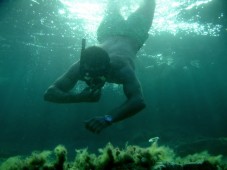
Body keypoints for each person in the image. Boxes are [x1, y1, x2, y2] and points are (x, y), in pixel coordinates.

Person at [44, 0, 156, 134]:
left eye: (99, 73)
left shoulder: (121, 67)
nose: (94, 79)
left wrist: (108, 118)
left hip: (125, 32)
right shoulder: (80, 66)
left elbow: (139, 101)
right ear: (85, 67)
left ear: (109, 67)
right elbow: (49, 93)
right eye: (90, 74)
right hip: (111, 30)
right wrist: (79, 97)